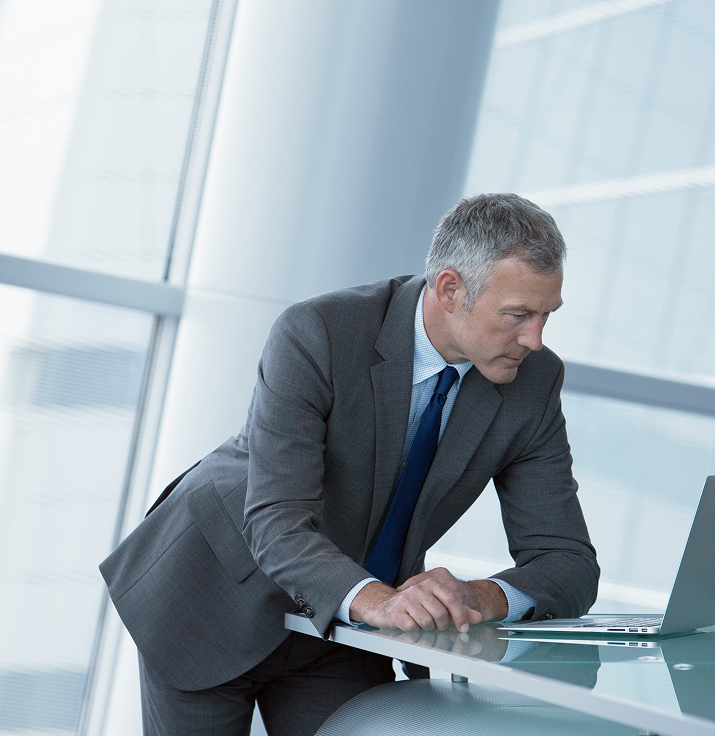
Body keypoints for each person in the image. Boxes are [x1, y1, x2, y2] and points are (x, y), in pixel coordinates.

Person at [100, 193, 600, 736]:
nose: (535, 339)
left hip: (345, 623)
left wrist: (479, 595)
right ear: (451, 289)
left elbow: (568, 561)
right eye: (518, 316)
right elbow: (276, 522)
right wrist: (380, 602)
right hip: (215, 595)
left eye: (547, 316)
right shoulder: (318, 332)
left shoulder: (535, 380)